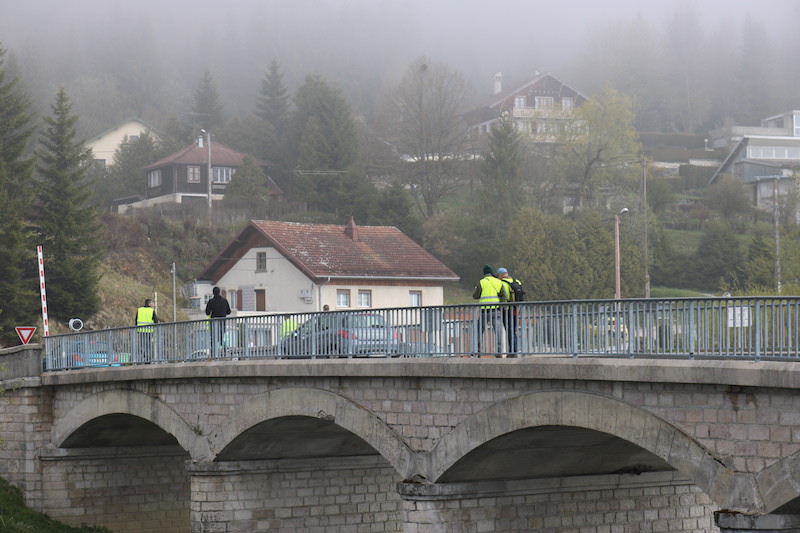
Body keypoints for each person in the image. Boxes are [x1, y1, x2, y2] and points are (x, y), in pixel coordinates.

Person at [472, 264, 506, 355]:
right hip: (495, 310)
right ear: (491, 272)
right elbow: (504, 296)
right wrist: (501, 307)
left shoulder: (482, 282)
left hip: (484, 311)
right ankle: (499, 351)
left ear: (484, 273)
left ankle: (477, 351)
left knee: (479, 331)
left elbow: (475, 296)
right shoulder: (498, 282)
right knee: (498, 332)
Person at [497, 267, 522, 355]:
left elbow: (504, 297)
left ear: (500, 275)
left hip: (507, 310)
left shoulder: (502, 283)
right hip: (516, 309)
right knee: (514, 330)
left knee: (509, 330)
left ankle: (513, 350)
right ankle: (514, 349)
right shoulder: (517, 281)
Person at [205, 287, 231, 358]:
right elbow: (229, 312)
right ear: (219, 292)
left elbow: (207, 312)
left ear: (213, 293)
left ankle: (214, 355)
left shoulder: (211, 301)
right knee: (221, 338)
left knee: (213, 339)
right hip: (222, 323)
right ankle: (225, 351)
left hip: (214, 323)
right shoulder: (224, 301)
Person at [135, 299, 159, 363]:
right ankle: (148, 359)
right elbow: (156, 321)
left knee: (142, 345)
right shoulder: (151, 310)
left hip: (141, 330)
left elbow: (136, 320)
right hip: (149, 331)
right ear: (149, 304)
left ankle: (145, 357)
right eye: (152, 303)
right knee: (148, 346)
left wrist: (136, 328)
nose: (152, 304)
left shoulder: (139, 310)